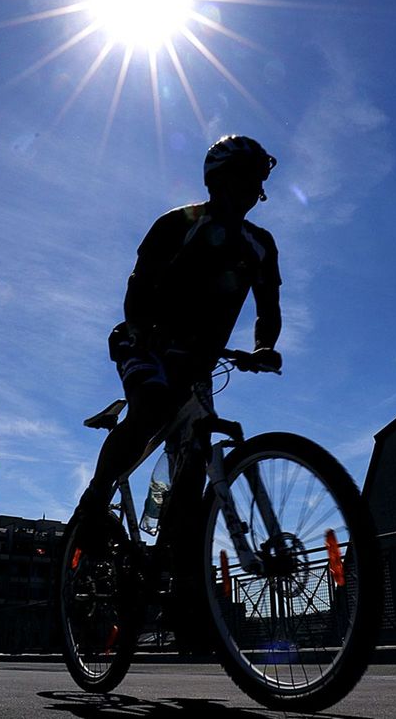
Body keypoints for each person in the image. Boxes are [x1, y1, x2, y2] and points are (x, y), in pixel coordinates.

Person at [74, 134, 284, 531]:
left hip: (197, 363)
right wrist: (144, 329)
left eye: (259, 180)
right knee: (149, 409)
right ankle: (94, 499)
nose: (254, 189)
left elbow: (268, 309)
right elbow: (137, 287)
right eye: (244, 177)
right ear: (217, 181)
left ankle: (179, 557)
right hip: (143, 342)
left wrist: (263, 347)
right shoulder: (178, 224)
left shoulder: (260, 245)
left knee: (194, 461)